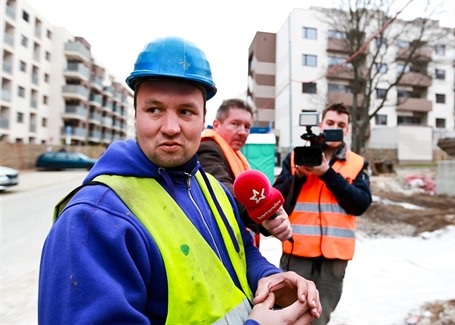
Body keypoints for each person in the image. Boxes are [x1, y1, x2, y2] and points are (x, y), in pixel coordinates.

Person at [38, 36, 321, 324]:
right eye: (154, 110)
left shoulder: (210, 187)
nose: (171, 127)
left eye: (185, 111)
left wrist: (269, 277)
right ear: (135, 115)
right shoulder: (92, 219)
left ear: (203, 119)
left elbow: (241, 251)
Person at [273, 103, 372, 324]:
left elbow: (360, 204)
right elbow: (278, 201)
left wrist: (327, 173)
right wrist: (298, 177)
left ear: (347, 130)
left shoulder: (356, 163)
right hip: (297, 252)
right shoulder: (294, 158)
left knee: (319, 316)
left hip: (334, 259)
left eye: (340, 125)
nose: (334, 128)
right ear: (320, 125)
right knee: (288, 313)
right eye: (330, 123)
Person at [198, 98, 291, 247]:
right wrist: (263, 215)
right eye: (235, 124)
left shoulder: (235, 154)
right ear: (216, 125)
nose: (242, 132)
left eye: (247, 127)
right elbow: (223, 189)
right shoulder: (208, 148)